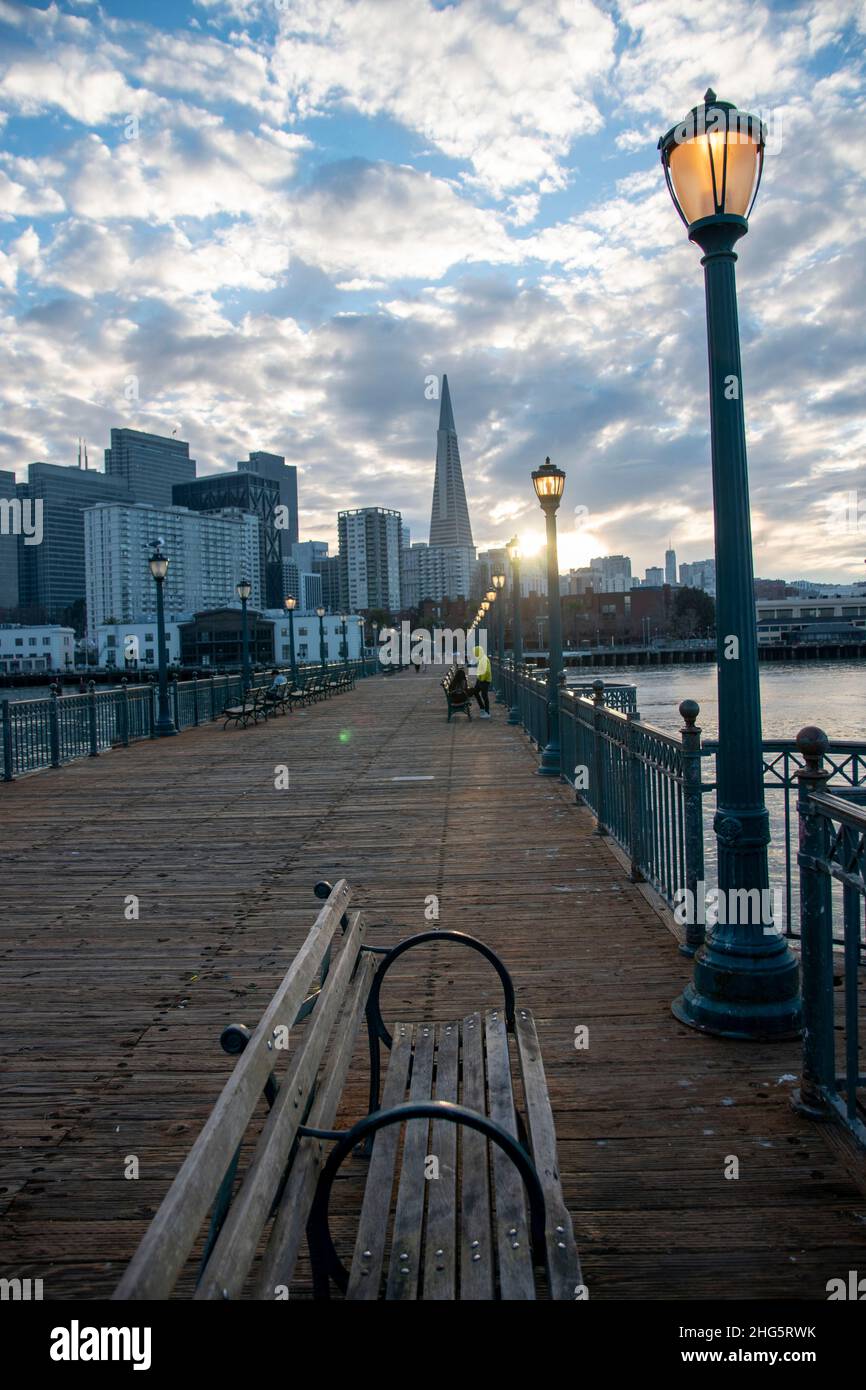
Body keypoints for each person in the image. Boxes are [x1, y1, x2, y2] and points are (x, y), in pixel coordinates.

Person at [471, 644, 492, 718]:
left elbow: (487, 671)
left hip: (484, 680)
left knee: (484, 696)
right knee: (475, 692)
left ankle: (487, 712)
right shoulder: (481, 658)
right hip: (480, 679)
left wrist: (482, 679)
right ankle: (482, 708)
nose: (474, 654)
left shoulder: (483, 659)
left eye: (475, 653)